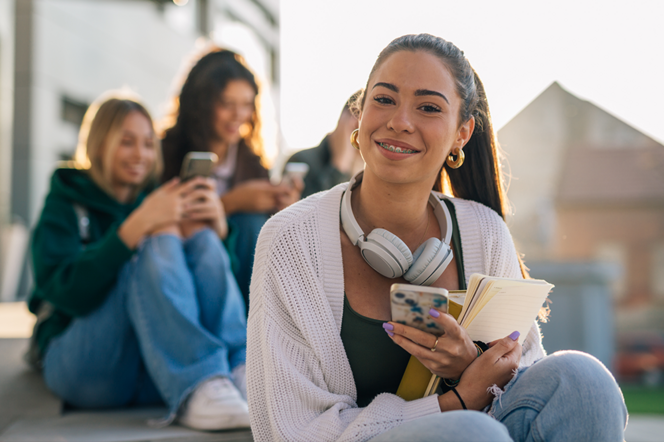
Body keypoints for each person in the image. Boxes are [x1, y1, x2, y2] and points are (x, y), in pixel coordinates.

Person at [246, 34, 627, 441]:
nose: (400, 121)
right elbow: (291, 430)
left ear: (461, 134)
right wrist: (455, 403)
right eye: (384, 99)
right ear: (359, 113)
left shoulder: (484, 231)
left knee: (584, 381)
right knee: (471, 432)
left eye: (428, 107)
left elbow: (526, 377)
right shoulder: (291, 240)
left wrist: (471, 365)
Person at [29, 94, 250, 431]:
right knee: (158, 236)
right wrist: (132, 231)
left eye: (148, 144)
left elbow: (207, 289)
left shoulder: (154, 202)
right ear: (99, 145)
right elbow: (63, 292)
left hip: (150, 367)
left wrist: (218, 230)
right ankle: (197, 384)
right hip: (84, 366)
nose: (141, 154)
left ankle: (240, 369)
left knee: (200, 236)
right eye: (127, 142)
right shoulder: (66, 202)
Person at [161, 48, 302, 307]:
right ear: (201, 105)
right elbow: (162, 224)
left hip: (241, 278)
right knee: (245, 223)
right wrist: (231, 203)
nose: (239, 115)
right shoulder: (166, 153)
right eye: (227, 104)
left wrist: (284, 209)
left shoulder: (251, 162)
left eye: (247, 104)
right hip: (185, 267)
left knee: (256, 225)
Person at [285, 91, 363, 198]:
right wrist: (340, 164)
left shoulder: (371, 167)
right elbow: (320, 210)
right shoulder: (302, 161)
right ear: (353, 124)